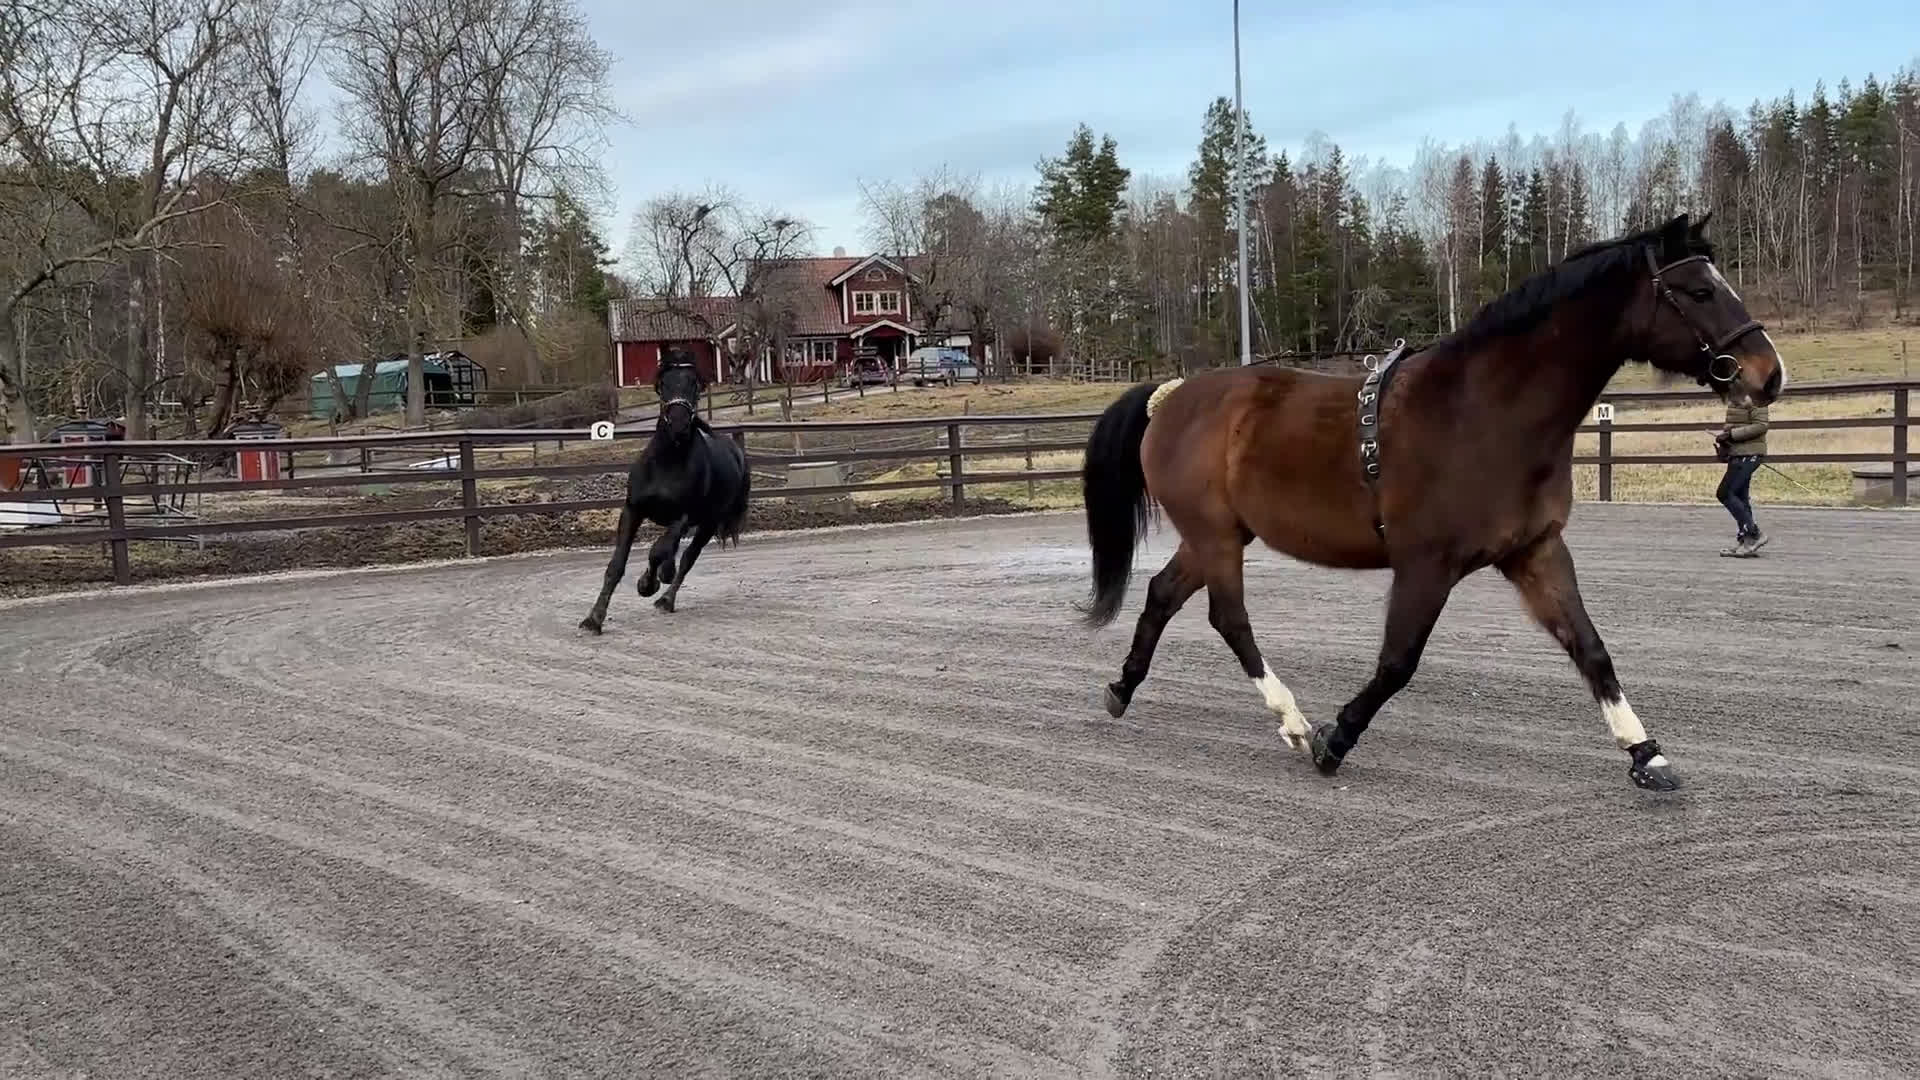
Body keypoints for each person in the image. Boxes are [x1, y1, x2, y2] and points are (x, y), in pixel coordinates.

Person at [1714, 398, 1770, 557]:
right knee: (1740, 497)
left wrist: (1731, 435)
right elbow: (1737, 424)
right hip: (1738, 453)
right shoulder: (1736, 395)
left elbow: (1761, 425)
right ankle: (1746, 541)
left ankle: (1754, 534)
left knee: (1725, 493)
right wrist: (1726, 445)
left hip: (1750, 453)